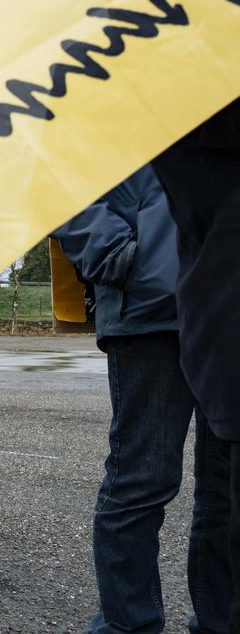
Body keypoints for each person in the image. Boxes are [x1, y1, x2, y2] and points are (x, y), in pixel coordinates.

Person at [52, 164, 231, 634]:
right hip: (152, 301)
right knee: (142, 478)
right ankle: (128, 627)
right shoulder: (101, 95)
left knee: (229, 489)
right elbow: (46, 173)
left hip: (229, 299)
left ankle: (222, 623)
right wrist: (114, 251)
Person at [149, 97, 240, 631]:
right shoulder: (176, 104)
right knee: (148, 479)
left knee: (218, 493)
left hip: (210, 324)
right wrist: (120, 256)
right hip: (175, 313)